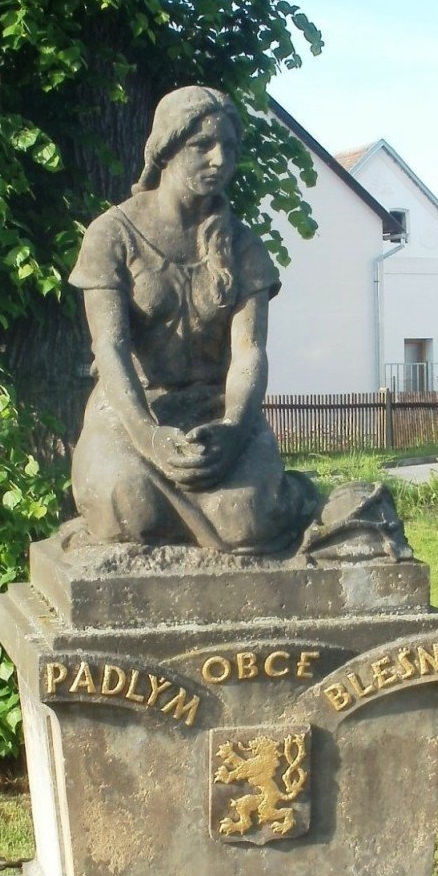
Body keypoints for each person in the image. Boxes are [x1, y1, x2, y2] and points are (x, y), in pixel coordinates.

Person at [68, 85, 318, 552]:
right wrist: (148, 436)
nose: (220, 159)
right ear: (166, 148)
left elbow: (249, 353)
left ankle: (293, 497)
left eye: (230, 146)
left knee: (249, 521)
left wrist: (236, 427)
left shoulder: (242, 246)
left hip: (215, 414)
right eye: (202, 145)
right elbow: (111, 347)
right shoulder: (112, 235)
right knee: (127, 508)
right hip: (132, 411)